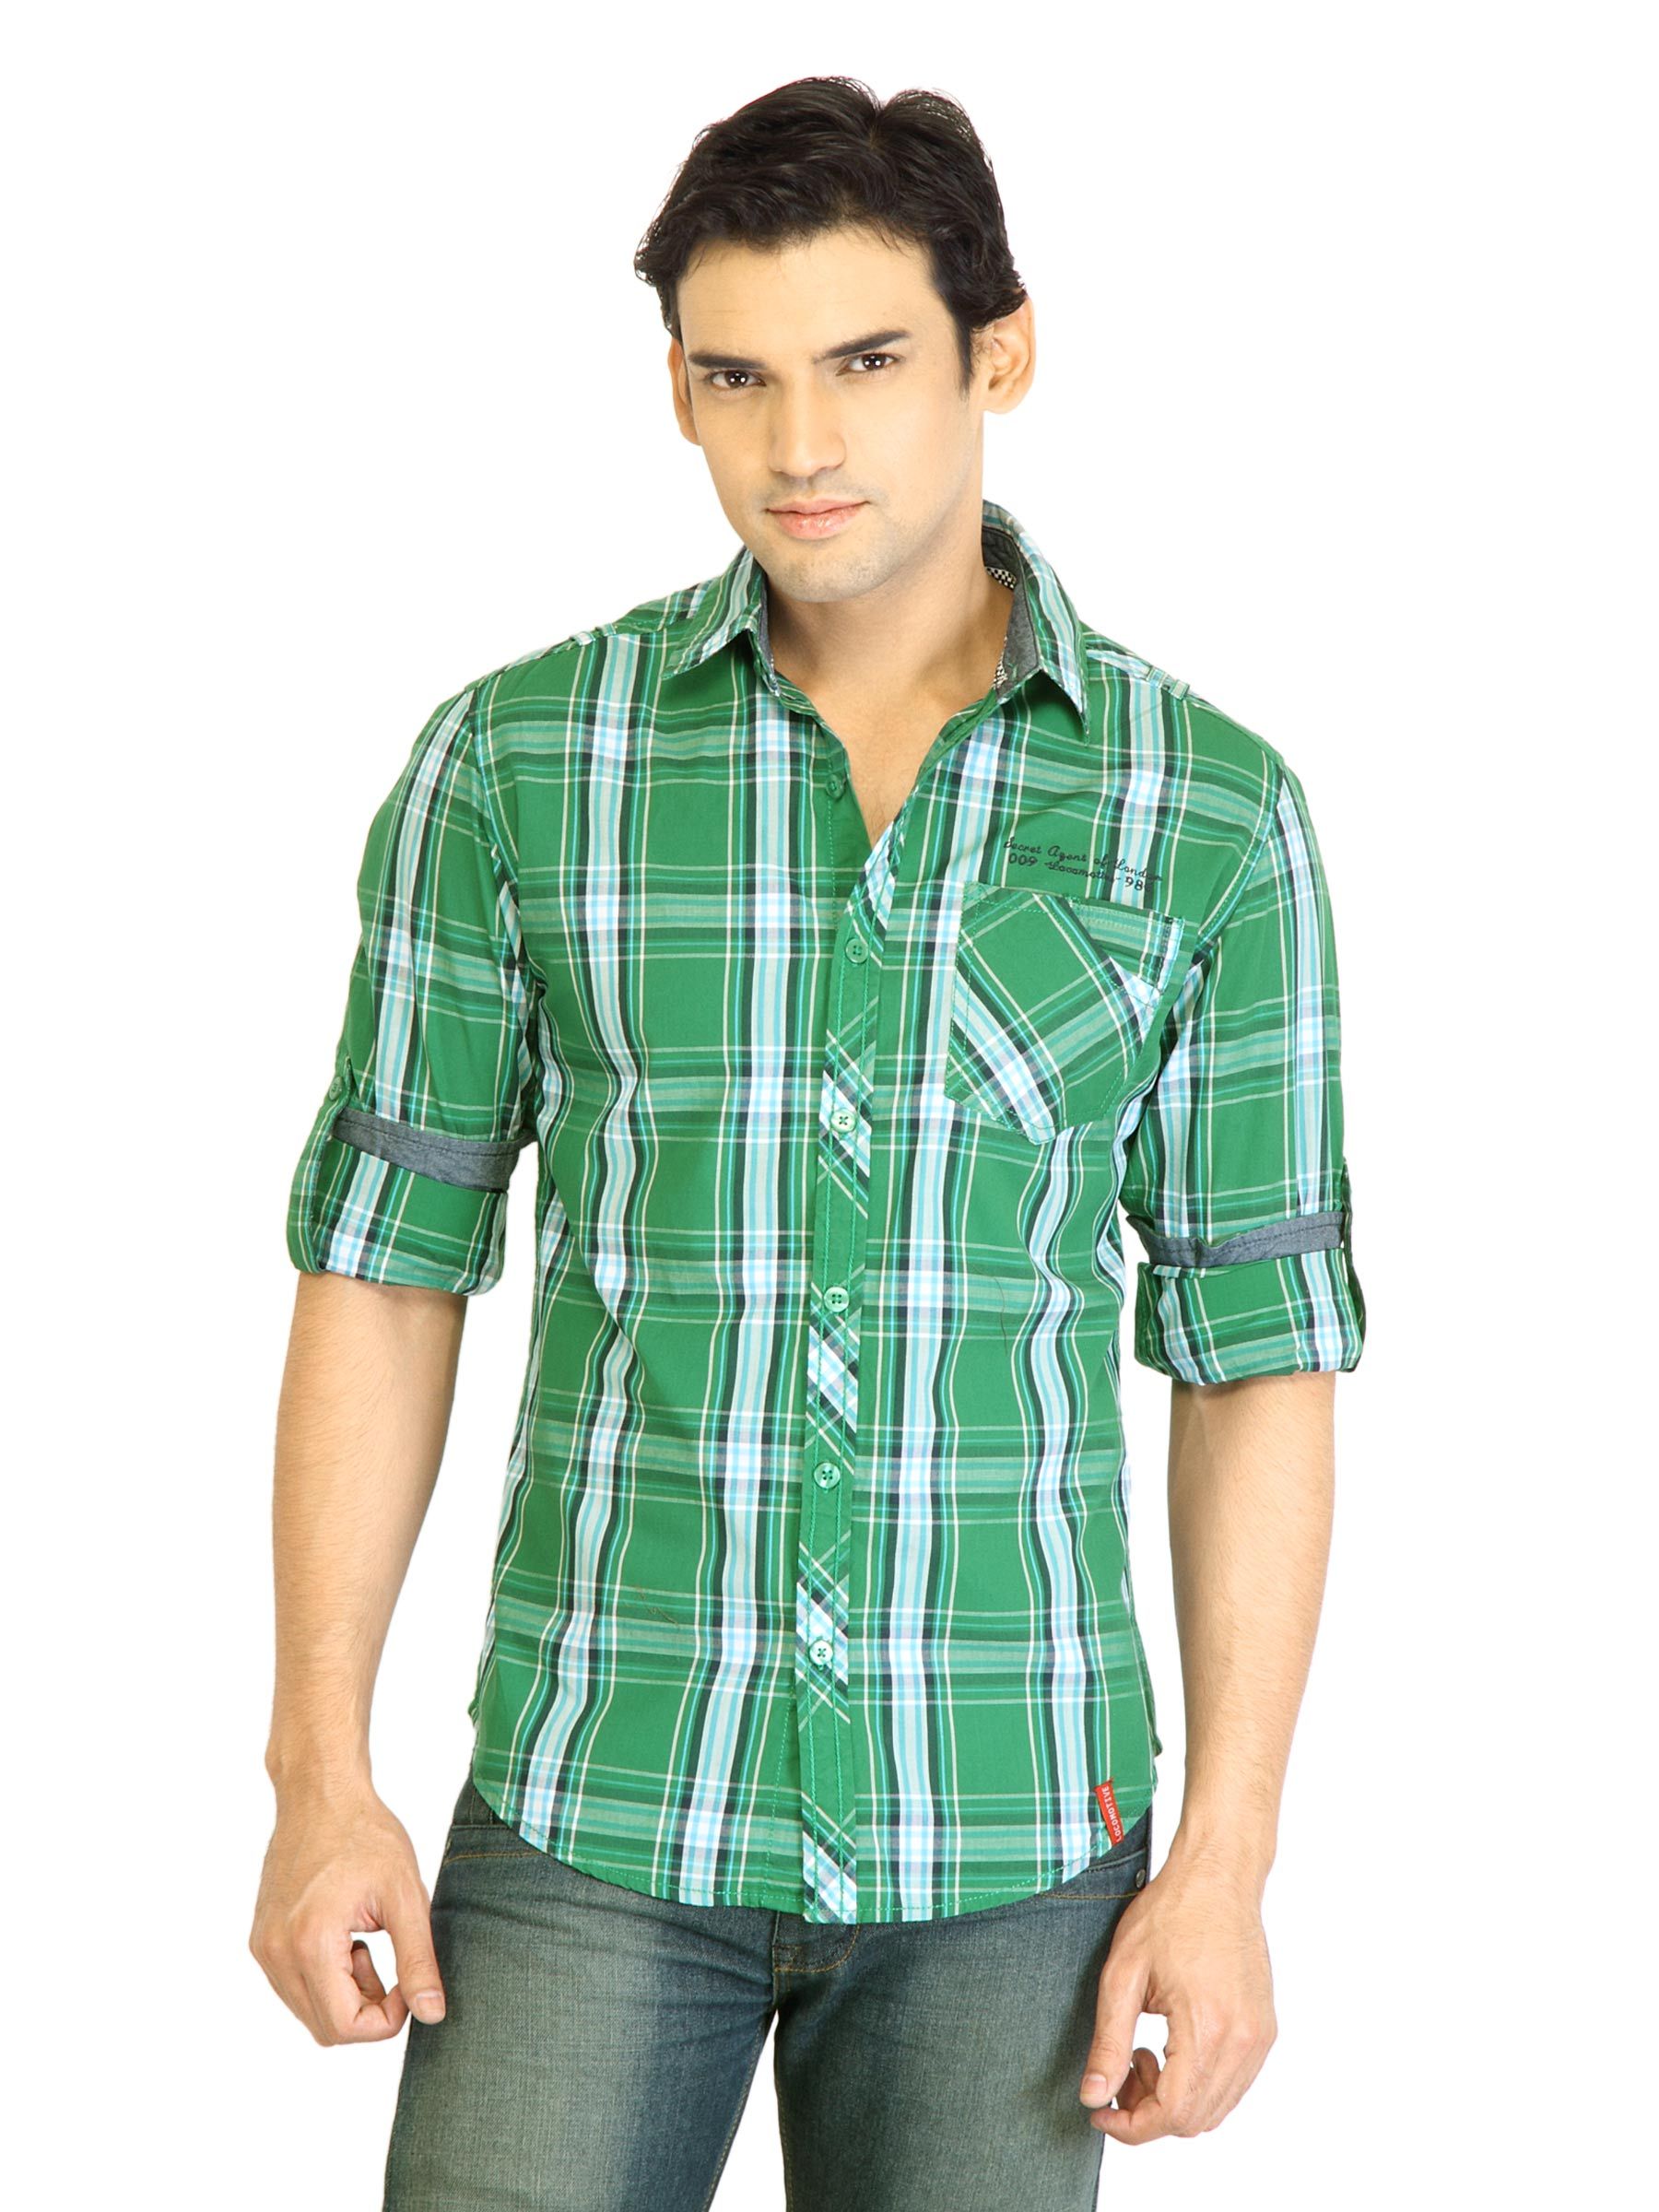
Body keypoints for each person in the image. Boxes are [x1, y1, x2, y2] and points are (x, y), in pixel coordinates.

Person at [250, 73, 1367, 2212]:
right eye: (735, 376)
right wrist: (320, 1772)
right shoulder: (519, 764)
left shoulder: (1207, 813)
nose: (799, 445)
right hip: (594, 1809)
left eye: (865, 362)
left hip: (1016, 1839)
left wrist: (1226, 1864)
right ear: (675, 385)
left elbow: (1258, 1357)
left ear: (997, 355)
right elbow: (385, 1270)